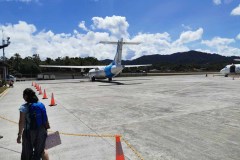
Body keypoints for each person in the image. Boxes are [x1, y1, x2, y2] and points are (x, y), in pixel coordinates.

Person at [17, 88, 50, 160]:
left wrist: (19, 135)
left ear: (25, 96)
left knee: (27, 153)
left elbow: (21, 122)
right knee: (41, 151)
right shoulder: (41, 104)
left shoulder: (23, 107)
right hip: (41, 130)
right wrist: (46, 130)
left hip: (29, 133)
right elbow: (45, 118)